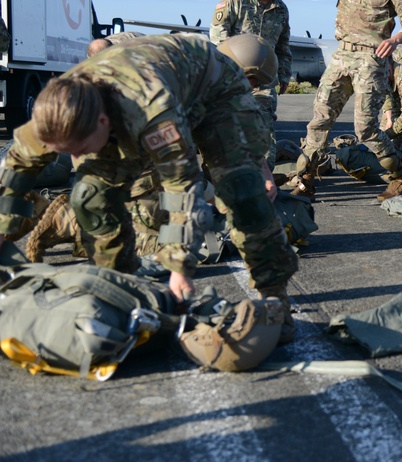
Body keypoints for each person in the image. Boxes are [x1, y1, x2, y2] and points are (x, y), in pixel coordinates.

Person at [0, 33, 300, 341]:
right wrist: (3, 231)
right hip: (141, 87)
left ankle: (275, 298)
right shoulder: (55, 111)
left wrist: (180, 268)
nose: (75, 157)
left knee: (241, 192)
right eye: (68, 150)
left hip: (213, 87)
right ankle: (119, 288)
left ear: (104, 122)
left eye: (81, 146)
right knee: (90, 195)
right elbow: (15, 174)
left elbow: (181, 189)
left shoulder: (152, 112)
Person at [296, 0, 402, 201]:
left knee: (365, 128)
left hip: (370, 59)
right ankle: (305, 179)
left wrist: (398, 38)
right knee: (320, 118)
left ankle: (401, 176)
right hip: (341, 56)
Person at [210, 0, 294, 166]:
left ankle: (263, 180)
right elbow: (218, 38)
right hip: (231, 78)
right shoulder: (234, 0)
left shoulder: (281, 10)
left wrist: (283, 74)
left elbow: (283, 47)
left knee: (263, 126)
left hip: (264, 81)